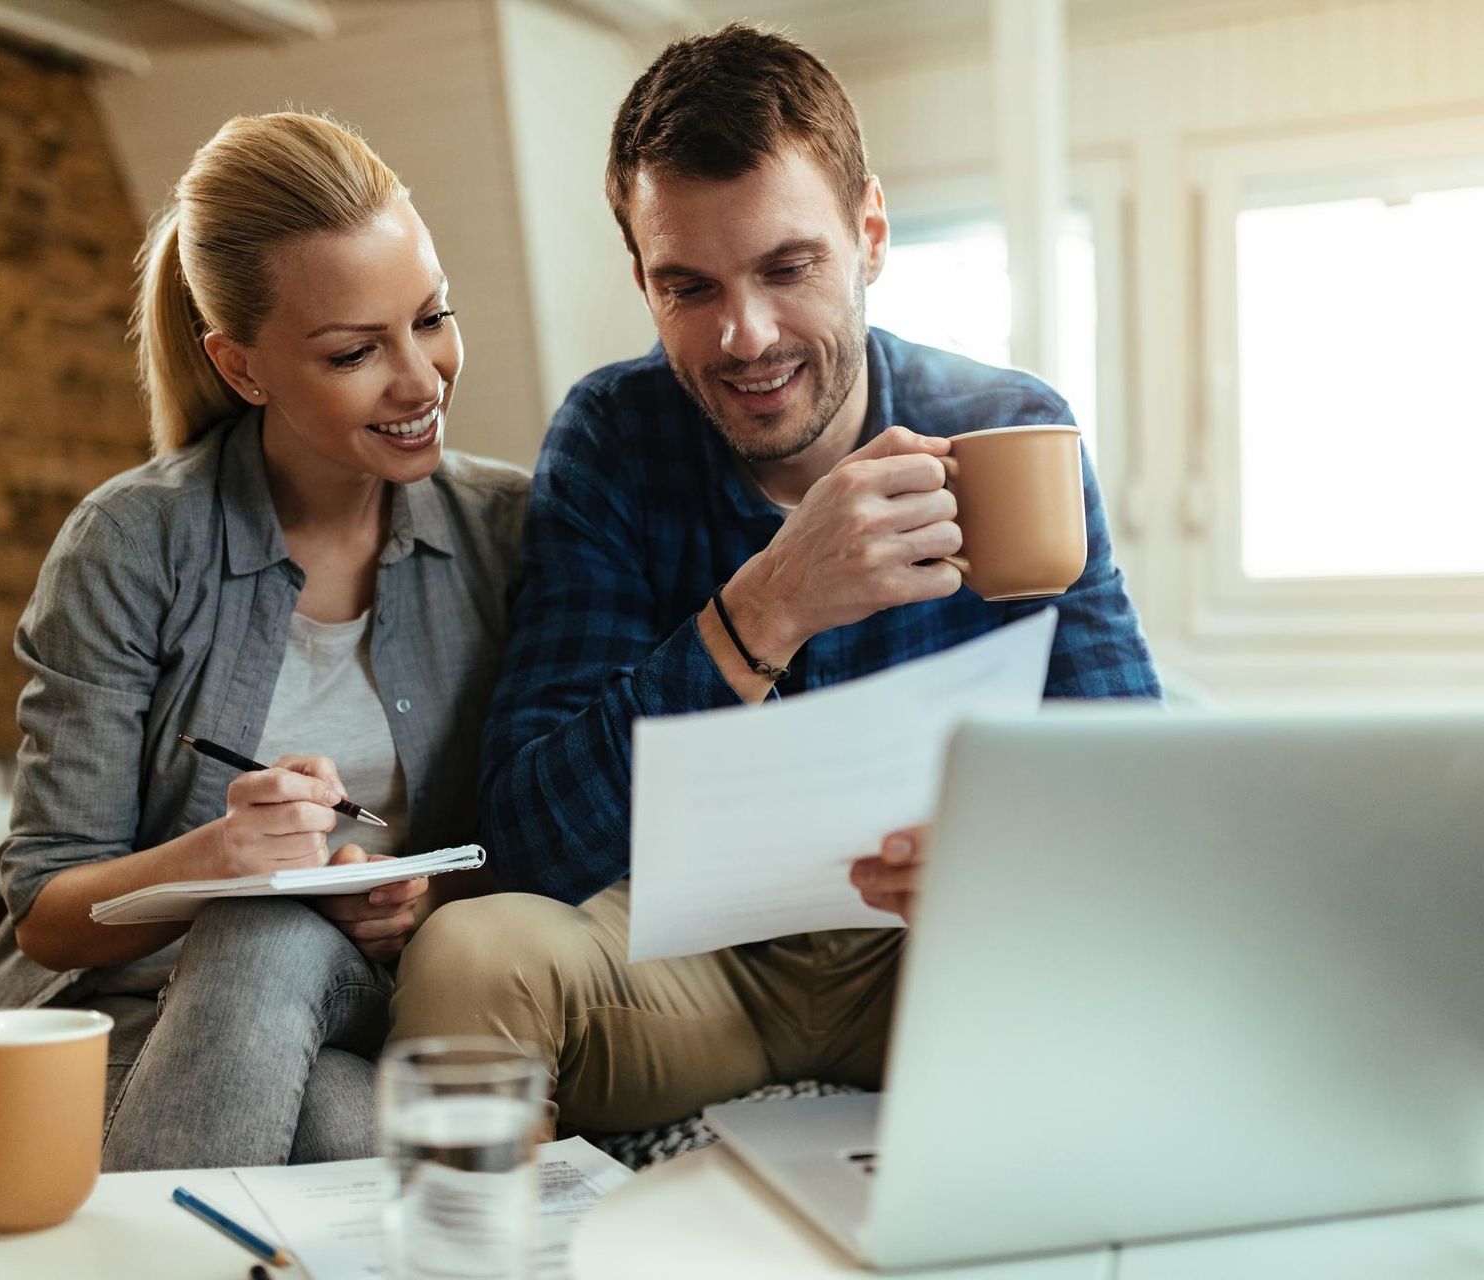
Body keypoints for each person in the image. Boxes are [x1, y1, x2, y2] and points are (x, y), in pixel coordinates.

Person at [389, 25, 1158, 1136]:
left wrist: (1012, 863)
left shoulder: (1006, 430)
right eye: (688, 286)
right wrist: (768, 605)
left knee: (1164, 966)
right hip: (689, 965)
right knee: (470, 952)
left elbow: (1138, 781)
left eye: (788, 267)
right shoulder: (613, 435)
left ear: (870, 234)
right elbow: (532, 838)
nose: (743, 335)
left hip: (939, 961)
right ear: (643, 280)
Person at [0, 112, 527, 1170]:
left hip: (368, 1000)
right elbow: (48, 913)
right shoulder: (130, 544)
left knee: (282, 944)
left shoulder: (511, 531)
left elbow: (567, 822)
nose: (421, 378)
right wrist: (215, 861)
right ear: (242, 366)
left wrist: (427, 894)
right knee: (345, 1122)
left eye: (432, 318)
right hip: (117, 1021)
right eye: (355, 350)